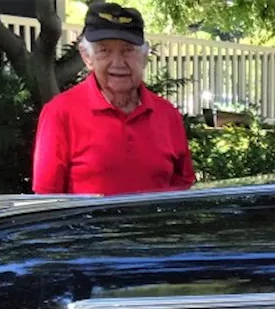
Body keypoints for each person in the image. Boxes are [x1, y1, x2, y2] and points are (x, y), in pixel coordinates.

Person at [32, 2, 195, 195]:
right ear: (87, 57)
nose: (118, 63)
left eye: (128, 50)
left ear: (143, 57)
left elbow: (183, 194)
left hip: (155, 226)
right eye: (104, 50)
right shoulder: (60, 113)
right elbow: (47, 201)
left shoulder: (167, 115)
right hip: (87, 226)